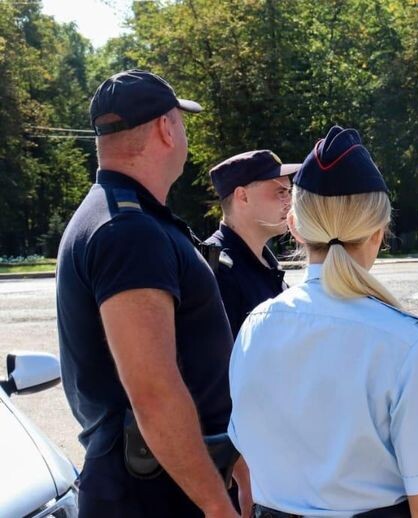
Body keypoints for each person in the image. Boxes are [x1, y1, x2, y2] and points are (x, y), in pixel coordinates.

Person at [229, 125, 418, 518]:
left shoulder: (254, 328)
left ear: (294, 225)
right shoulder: (405, 342)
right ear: (379, 231)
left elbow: (246, 457)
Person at [56, 69, 242, 517]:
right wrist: (218, 507)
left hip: (159, 480)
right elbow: (153, 391)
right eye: (181, 120)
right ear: (165, 126)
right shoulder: (129, 230)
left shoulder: (120, 216)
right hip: (156, 492)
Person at [206, 150, 298, 338]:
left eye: (289, 192)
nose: (289, 202)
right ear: (243, 197)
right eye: (280, 192)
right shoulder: (217, 270)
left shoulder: (265, 262)